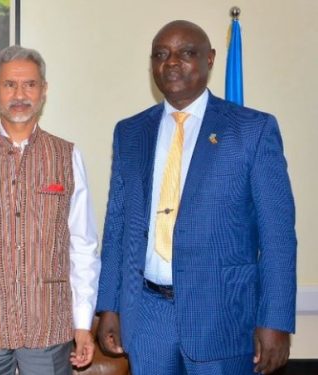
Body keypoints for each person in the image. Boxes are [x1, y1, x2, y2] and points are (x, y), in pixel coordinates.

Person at [96, 20, 296, 375]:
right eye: (161, 54)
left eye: (186, 53)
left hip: (223, 317)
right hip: (147, 316)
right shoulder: (129, 132)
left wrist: (276, 320)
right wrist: (109, 305)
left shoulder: (252, 129)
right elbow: (117, 227)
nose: (171, 62)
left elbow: (278, 236)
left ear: (211, 59)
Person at [0, 45, 101, 375]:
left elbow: (83, 244)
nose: (20, 94)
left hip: (49, 326)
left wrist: (83, 322)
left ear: (44, 90)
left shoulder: (66, 156)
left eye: (30, 84)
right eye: (10, 84)